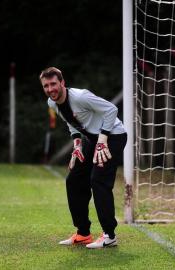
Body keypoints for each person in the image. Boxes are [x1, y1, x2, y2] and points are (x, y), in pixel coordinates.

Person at [39, 67, 127, 249]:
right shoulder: (52, 102)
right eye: (46, 85)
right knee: (74, 180)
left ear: (62, 83)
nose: (50, 89)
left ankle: (109, 235)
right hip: (92, 139)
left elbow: (111, 109)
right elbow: (70, 122)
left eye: (53, 84)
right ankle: (83, 233)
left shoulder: (80, 97)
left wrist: (103, 138)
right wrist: (77, 143)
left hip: (113, 136)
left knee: (98, 181)